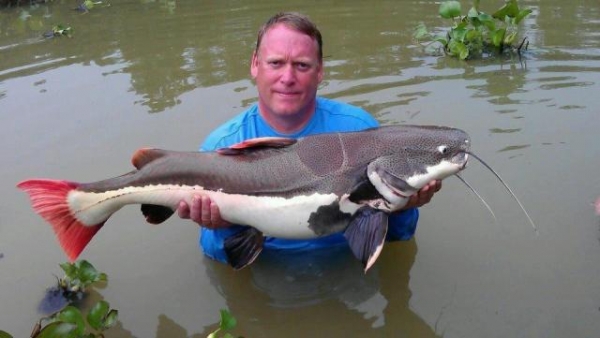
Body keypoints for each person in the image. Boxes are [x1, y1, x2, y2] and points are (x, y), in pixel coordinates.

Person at [177, 12, 442, 263]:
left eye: (302, 65)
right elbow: (217, 258)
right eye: (276, 63)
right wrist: (223, 225)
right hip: (271, 274)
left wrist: (404, 206)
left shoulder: (359, 129)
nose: (288, 77)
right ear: (255, 65)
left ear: (320, 71)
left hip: (345, 268)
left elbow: (399, 238)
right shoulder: (220, 146)